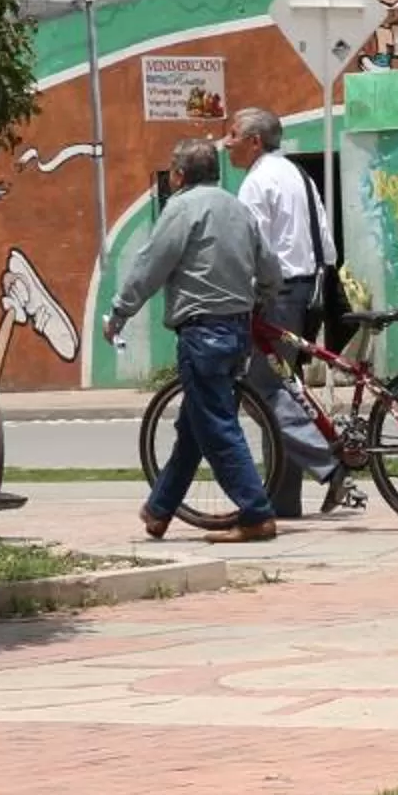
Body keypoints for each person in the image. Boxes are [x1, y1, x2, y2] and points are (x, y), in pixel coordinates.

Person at [106, 138, 279, 543]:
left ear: (179, 175)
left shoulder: (181, 208)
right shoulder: (238, 208)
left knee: (216, 427)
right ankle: (159, 510)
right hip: (237, 331)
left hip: (203, 334)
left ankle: (256, 514)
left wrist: (119, 313)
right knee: (194, 426)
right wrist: (259, 299)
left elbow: (151, 265)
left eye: (172, 170)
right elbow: (270, 269)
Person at [225, 106, 362, 513]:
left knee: (263, 392)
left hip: (277, 294)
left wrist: (241, 296)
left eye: (232, 135)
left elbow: (253, 251)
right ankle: (283, 501)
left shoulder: (256, 183)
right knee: (286, 389)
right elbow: (327, 245)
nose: (226, 144)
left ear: (254, 141)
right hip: (309, 292)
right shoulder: (297, 174)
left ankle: (331, 467)